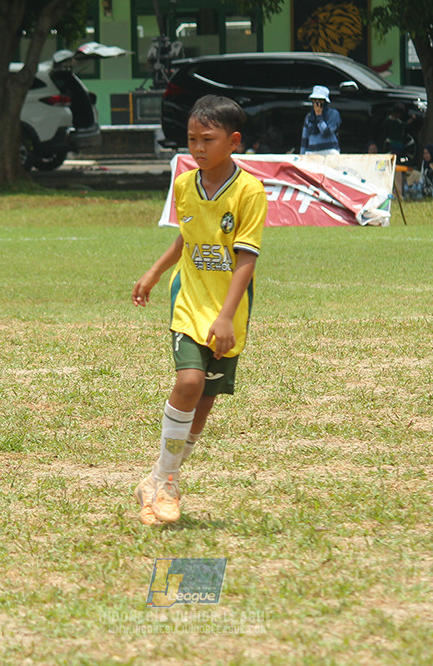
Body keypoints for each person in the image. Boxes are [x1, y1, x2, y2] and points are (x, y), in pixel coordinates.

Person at [131, 95, 267, 526]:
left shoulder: (250, 191)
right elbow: (185, 238)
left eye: (208, 139)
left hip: (227, 311)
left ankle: (156, 479)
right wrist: (154, 273)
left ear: (234, 142)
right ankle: (168, 483)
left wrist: (226, 316)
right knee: (188, 382)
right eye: (192, 139)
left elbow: (246, 258)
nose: (198, 148)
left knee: (203, 405)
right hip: (188, 303)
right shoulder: (185, 184)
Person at [300, 85, 341, 155]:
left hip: (330, 152)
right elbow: (304, 139)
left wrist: (319, 116)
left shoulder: (333, 114)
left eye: (320, 100)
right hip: (312, 153)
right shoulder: (309, 117)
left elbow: (326, 132)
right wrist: (302, 155)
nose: (317, 104)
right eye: (314, 100)